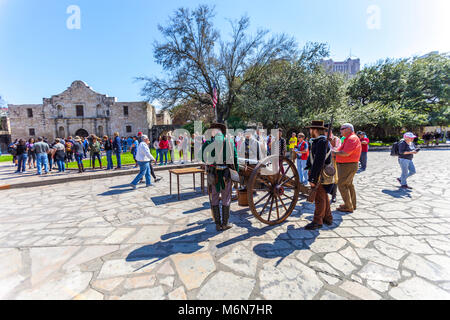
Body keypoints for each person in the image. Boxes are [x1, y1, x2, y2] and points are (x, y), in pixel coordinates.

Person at [202, 123, 239, 232]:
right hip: (226, 174)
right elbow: (235, 158)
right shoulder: (229, 141)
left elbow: (203, 158)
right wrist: (235, 171)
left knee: (214, 196)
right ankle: (225, 223)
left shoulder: (208, 142)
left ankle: (218, 224)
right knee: (226, 197)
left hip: (213, 174)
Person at [304, 120, 334, 230]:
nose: (310, 131)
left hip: (320, 174)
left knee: (319, 197)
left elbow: (319, 161)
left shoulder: (322, 142)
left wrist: (313, 177)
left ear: (315, 130)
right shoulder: (319, 141)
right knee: (323, 195)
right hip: (318, 172)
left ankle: (317, 221)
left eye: (311, 129)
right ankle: (328, 217)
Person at [332, 123, 362, 213]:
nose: (340, 130)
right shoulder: (348, 138)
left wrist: (334, 153)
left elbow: (346, 153)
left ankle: (348, 206)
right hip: (348, 164)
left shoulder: (351, 138)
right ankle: (352, 204)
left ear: (349, 129)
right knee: (348, 184)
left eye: (342, 128)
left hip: (347, 165)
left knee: (342, 184)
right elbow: (341, 150)